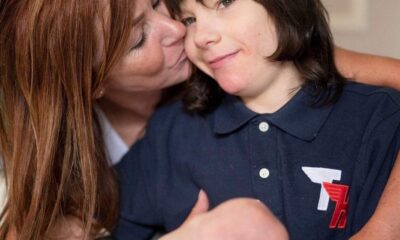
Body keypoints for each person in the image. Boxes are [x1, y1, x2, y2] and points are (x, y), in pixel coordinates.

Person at [0, 0, 399, 239]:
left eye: (159, 2)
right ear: (93, 84)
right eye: (138, 40)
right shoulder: (162, 143)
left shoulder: (357, 105)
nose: (179, 29)